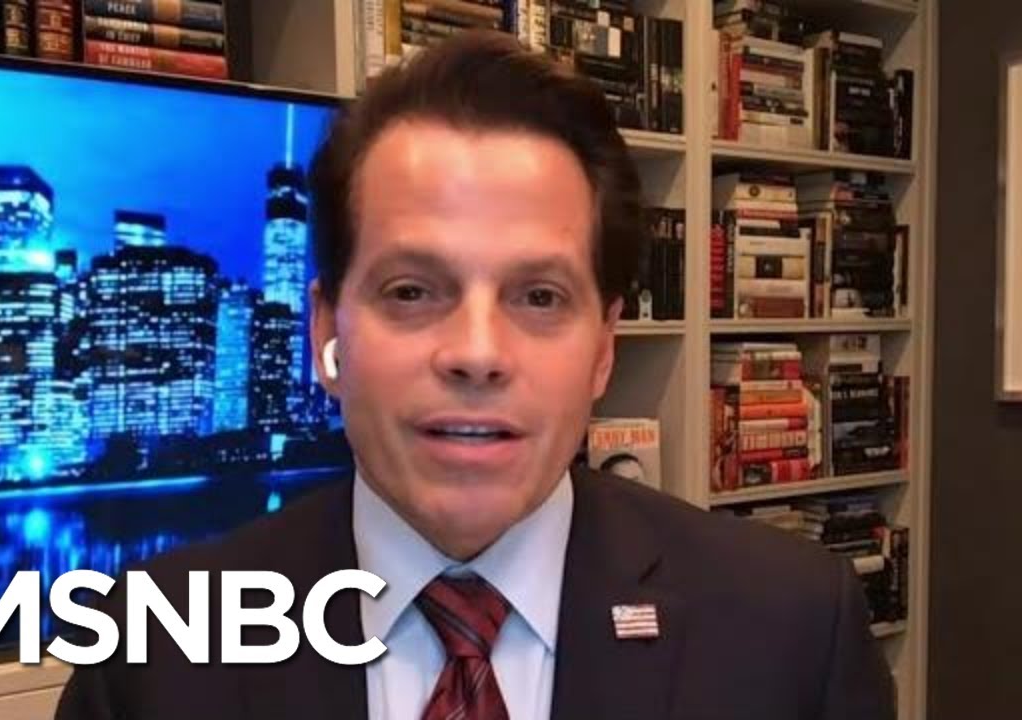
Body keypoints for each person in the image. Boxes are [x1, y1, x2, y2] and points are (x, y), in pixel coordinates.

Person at [55, 30, 895, 720]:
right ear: (326, 333)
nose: (477, 352)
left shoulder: (792, 628)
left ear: (603, 349)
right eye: (412, 291)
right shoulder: (152, 648)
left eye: (539, 296)